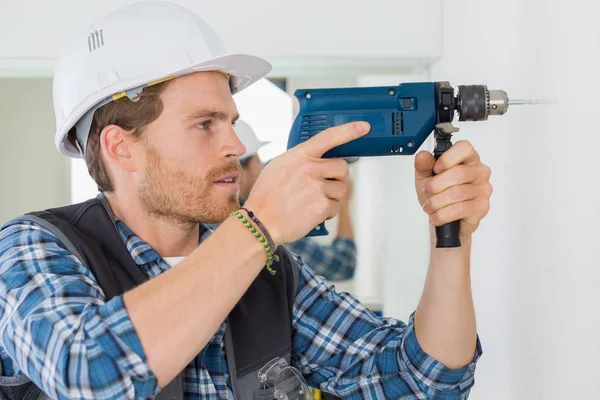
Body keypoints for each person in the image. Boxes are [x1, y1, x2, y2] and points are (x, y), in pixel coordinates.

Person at [0, 2, 492, 399]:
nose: (235, 145)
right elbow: (87, 373)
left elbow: (422, 381)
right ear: (120, 146)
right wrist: (258, 225)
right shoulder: (32, 248)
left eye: (231, 122)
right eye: (204, 124)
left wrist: (450, 237)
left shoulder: (270, 271)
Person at [235, 120, 357, 281]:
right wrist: (343, 201)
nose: (262, 169)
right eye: (258, 162)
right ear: (240, 171)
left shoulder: (212, 227)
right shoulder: (264, 225)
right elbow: (342, 265)